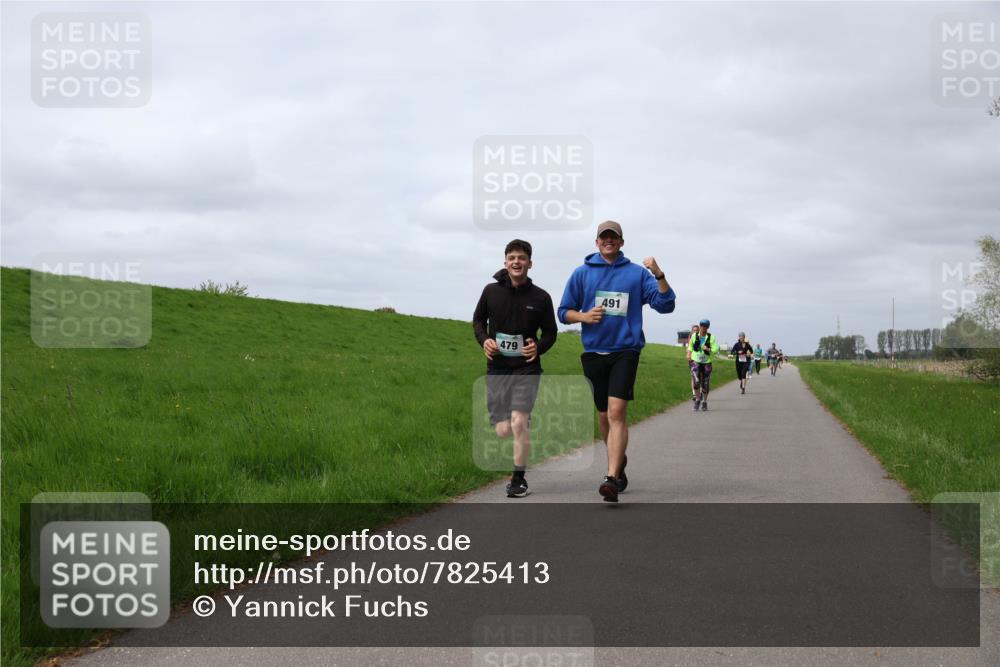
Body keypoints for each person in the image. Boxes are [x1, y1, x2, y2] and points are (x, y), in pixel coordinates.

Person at [558, 220, 676, 503]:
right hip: (594, 351)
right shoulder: (581, 274)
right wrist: (583, 317)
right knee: (603, 415)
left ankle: (610, 477)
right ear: (597, 242)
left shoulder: (636, 274)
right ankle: (618, 461)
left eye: (614, 237)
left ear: (621, 242)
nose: (608, 241)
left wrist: (659, 274)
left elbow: (666, 304)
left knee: (616, 411)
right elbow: (563, 312)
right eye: (604, 237)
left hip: (626, 350)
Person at [473, 239, 558, 498]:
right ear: (505, 262)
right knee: (502, 430)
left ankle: (518, 479)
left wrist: (538, 348)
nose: (517, 262)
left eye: (522, 258)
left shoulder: (541, 297)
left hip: (527, 369)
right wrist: (485, 340)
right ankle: (510, 422)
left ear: (530, 263)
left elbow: (551, 333)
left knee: (519, 422)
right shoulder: (490, 291)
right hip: (498, 368)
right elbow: (478, 321)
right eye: (512, 257)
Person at [688, 319, 718, 410]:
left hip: (706, 362)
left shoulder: (711, 337)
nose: (703, 328)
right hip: (695, 361)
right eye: (701, 326)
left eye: (705, 326)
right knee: (696, 382)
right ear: (700, 326)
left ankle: (704, 402)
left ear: (708, 327)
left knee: (705, 383)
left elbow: (715, 349)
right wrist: (688, 354)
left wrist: (708, 349)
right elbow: (690, 346)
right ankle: (697, 400)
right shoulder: (694, 336)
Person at [686, 323, 699, 405]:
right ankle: (694, 394)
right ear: (692, 331)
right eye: (694, 330)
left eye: (697, 330)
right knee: (693, 376)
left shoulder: (701, 337)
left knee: (699, 376)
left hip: (700, 359)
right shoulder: (690, 338)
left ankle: (699, 392)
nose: (695, 332)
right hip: (692, 359)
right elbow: (689, 348)